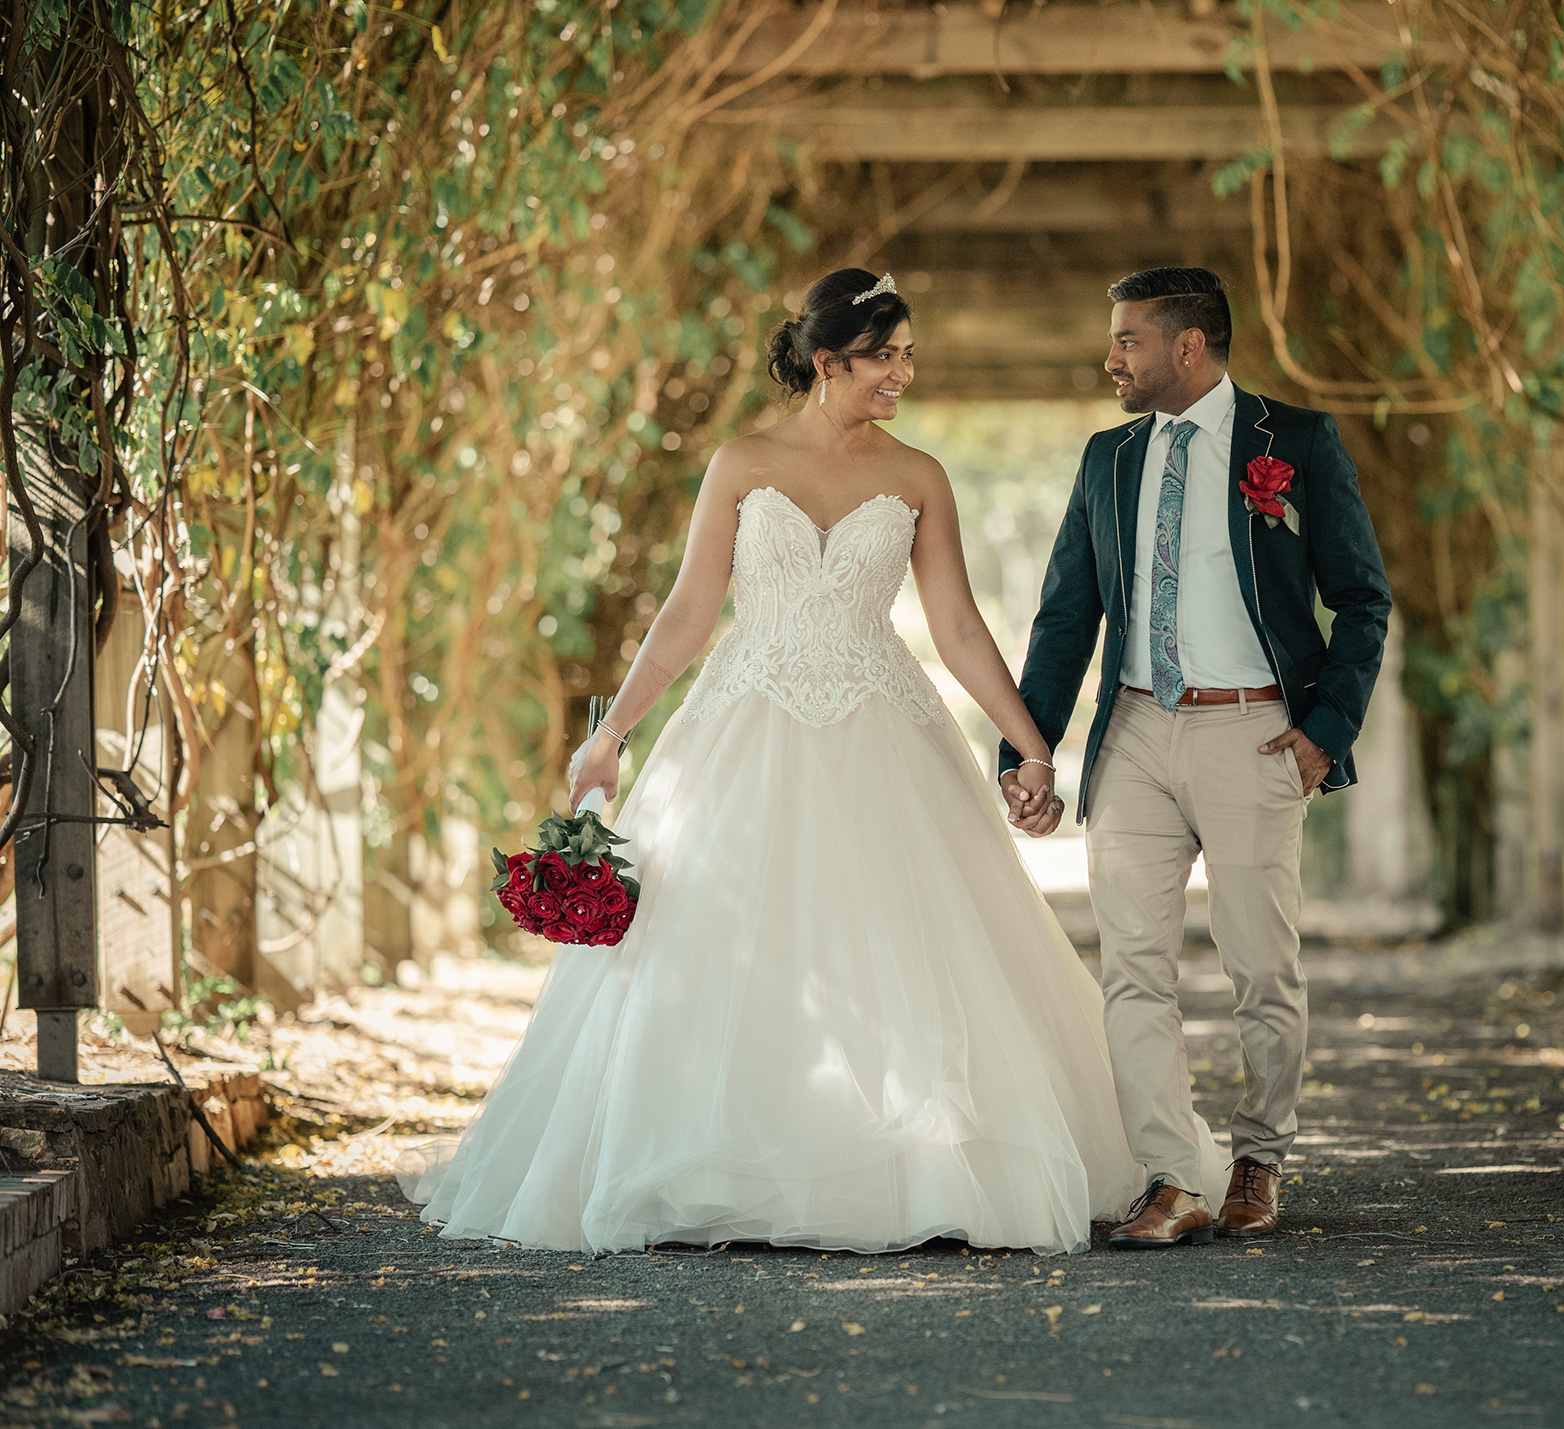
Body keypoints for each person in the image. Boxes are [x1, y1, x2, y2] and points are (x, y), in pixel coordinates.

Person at [400, 268, 1205, 1256]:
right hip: (743, 722)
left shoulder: (918, 476)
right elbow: (691, 610)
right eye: (886, 357)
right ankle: (717, 1162)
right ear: (828, 362)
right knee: (723, 935)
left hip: (883, 723)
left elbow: (955, 626)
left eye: (909, 356)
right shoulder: (739, 461)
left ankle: (914, 1166)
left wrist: (1032, 749)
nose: (902, 374)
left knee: (902, 933)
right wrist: (610, 736)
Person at [1002, 267, 1391, 1249]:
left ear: (1187, 345)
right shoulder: (1107, 459)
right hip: (1132, 732)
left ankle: (1259, 1155)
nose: (1109, 358)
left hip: (1252, 732)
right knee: (1132, 967)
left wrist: (1324, 729)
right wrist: (1027, 747)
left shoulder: (1292, 443)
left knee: (1261, 967)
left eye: (1127, 339)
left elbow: (1360, 600)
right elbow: (1063, 614)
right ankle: (1174, 1176)